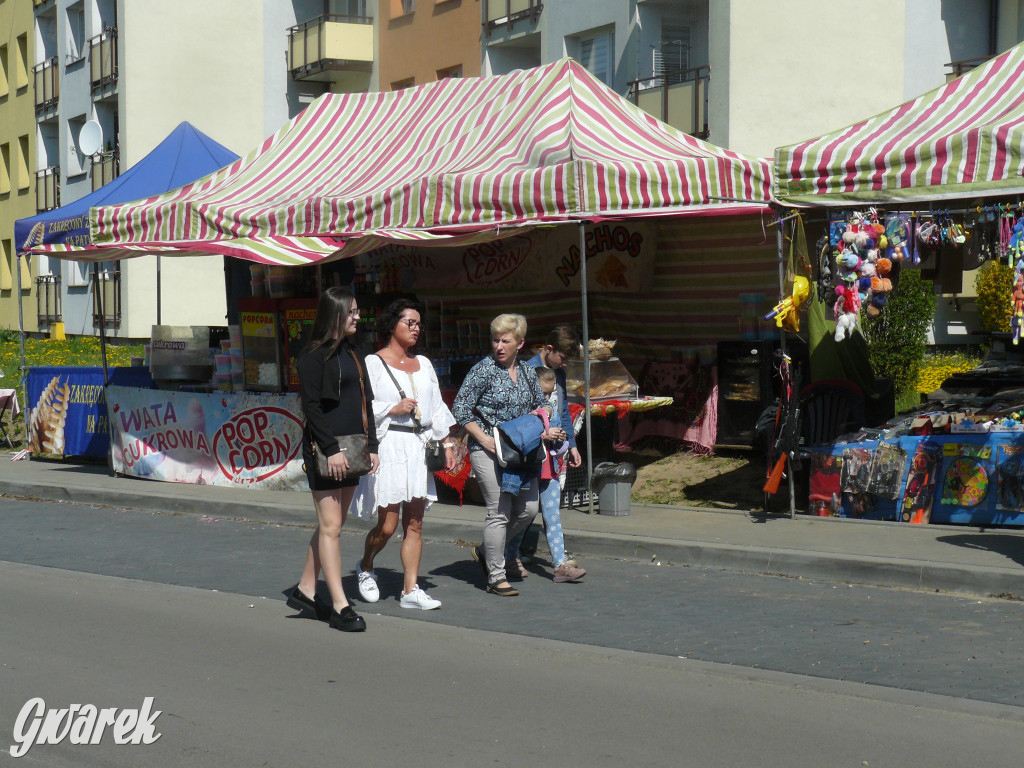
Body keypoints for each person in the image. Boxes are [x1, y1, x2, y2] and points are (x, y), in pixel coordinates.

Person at [352, 299, 456, 610]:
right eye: (409, 322)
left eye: (418, 323)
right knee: (387, 524)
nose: (416, 328)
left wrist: (447, 442)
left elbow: (435, 405)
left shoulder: (423, 363)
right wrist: (390, 409)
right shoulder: (372, 363)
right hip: (389, 446)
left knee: (415, 523)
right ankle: (367, 565)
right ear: (391, 325)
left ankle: (410, 589)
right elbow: (362, 408)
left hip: (419, 446)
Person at [287, 288, 379, 633]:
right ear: (335, 315)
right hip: (326, 451)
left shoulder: (355, 353)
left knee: (333, 524)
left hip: (354, 448)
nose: (357, 317)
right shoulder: (312, 356)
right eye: (352, 312)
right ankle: (341, 605)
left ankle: (306, 590)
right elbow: (312, 408)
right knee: (332, 527)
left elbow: (365, 401)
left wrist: (373, 445)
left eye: (358, 312)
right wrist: (330, 449)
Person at [453, 313, 546, 597]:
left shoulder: (529, 372)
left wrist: (544, 414)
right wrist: (482, 438)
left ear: (520, 343)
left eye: (506, 340)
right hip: (487, 449)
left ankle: (485, 551)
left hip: (521, 451)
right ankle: (495, 575)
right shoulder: (483, 370)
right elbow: (460, 408)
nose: (499, 346)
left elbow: (543, 403)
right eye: (495, 340)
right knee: (499, 512)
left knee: (528, 509)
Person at [505, 366, 586, 583]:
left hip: (549, 471)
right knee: (525, 516)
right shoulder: (524, 410)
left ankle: (560, 565)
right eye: (544, 393)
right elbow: (520, 436)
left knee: (553, 518)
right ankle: (509, 557)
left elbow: (560, 442)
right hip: (530, 470)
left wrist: (562, 442)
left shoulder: (553, 411)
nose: (547, 398)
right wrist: (544, 435)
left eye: (550, 394)